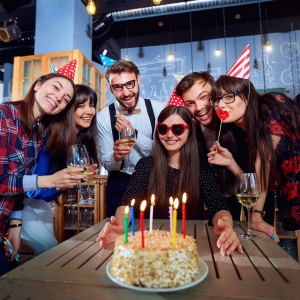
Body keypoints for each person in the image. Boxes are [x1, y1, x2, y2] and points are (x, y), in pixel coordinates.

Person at [97, 106, 243, 256]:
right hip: (151, 247)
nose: (169, 134)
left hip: (189, 247)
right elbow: (126, 204)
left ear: (189, 131)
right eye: (163, 128)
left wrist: (226, 226)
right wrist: (121, 224)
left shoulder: (200, 168)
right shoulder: (146, 165)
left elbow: (219, 207)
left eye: (177, 128)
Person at [0, 71, 86, 275]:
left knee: (12, 274)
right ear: (37, 85)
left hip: (4, 223)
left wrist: (15, 224)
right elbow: (3, 180)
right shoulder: (3, 115)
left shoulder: (37, 134)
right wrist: (50, 180)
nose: (59, 97)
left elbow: (18, 187)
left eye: (66, 99)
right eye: (56, 87)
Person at [208, 75, 300, 238]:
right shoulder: (236, 133)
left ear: (248, 96)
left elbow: (264, 159)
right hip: (284, 195)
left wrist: (256, 215)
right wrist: (231, 163)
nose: (220, 105)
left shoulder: (269, 104)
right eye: (215, 100)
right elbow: (253, 181)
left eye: (229, 97)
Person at [21, 84, 99, 255]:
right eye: (81, 106)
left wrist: (75, 179)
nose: (89, 111)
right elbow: (33, 188)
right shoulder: (51, 137)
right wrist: (63, 183)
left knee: (46, 252)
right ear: (69, 110)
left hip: (42, 202)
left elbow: (51, 188)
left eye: (91, 105)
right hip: (20, 201)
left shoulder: (80, 139)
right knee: (48, 246)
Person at [97, 60, 165, 218]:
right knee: (118, 235)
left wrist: (134, 135)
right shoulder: (103, 117)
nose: (126, 93)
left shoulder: (158, 110)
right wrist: (115, 157)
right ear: (110, 88)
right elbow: (106, 162)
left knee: (154, 233)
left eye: (130, 84)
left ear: (138, 80)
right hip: (119, 183)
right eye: (118, 87)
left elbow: (163, 152)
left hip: (153, 181)